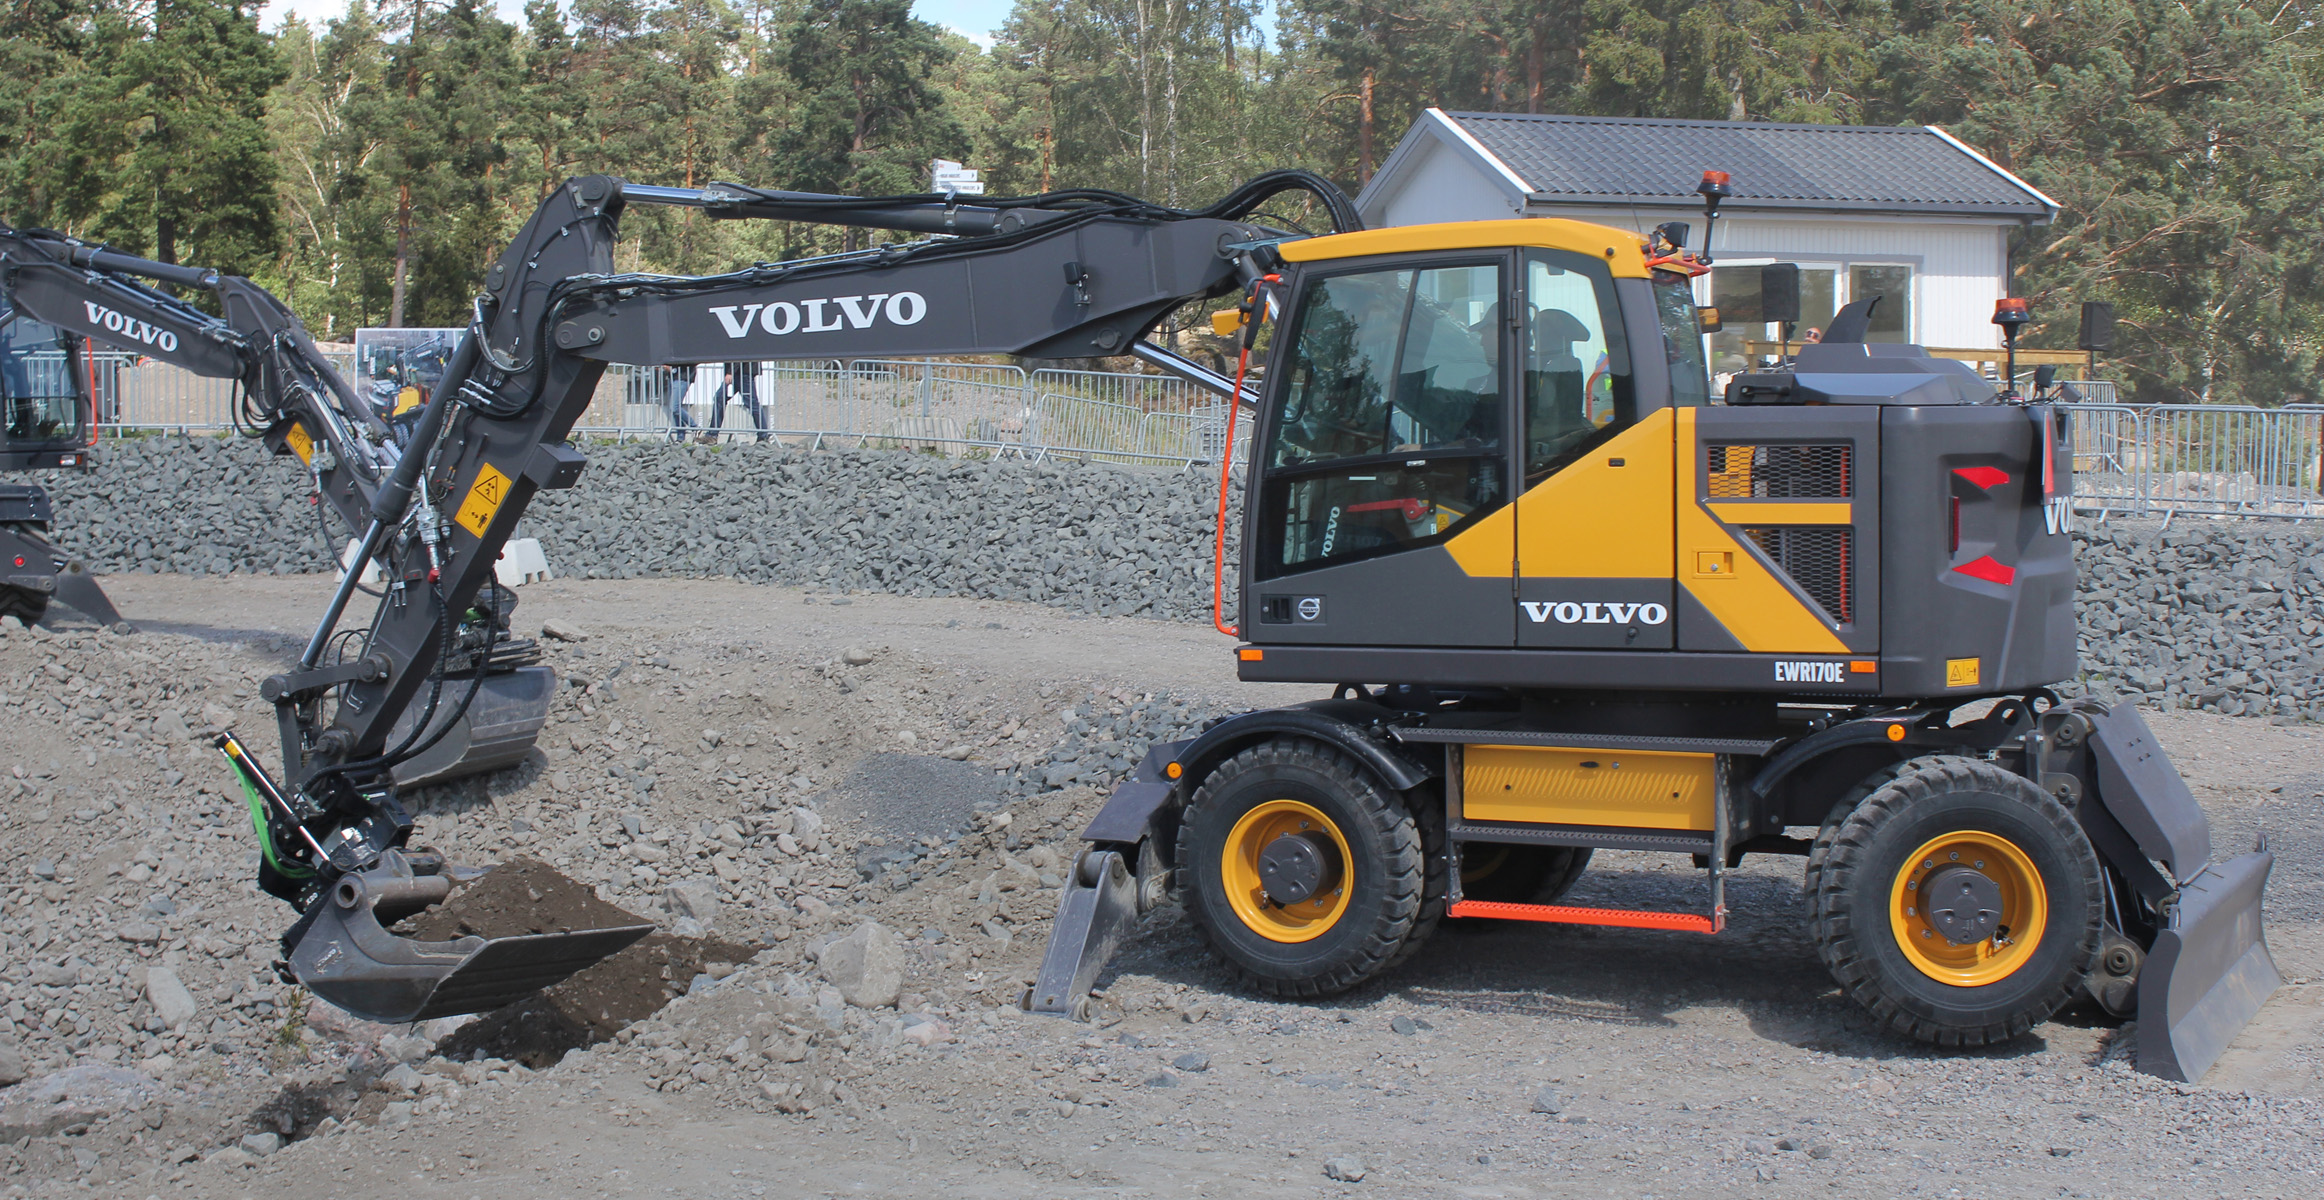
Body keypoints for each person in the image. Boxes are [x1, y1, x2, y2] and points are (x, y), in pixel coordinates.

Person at [707, 360, 770, 443]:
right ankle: (712, 435)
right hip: (740, 371)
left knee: (752, 404)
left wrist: (730, 372)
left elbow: (740, 353)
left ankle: (763, 435)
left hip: (742, 372)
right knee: (720, 399)